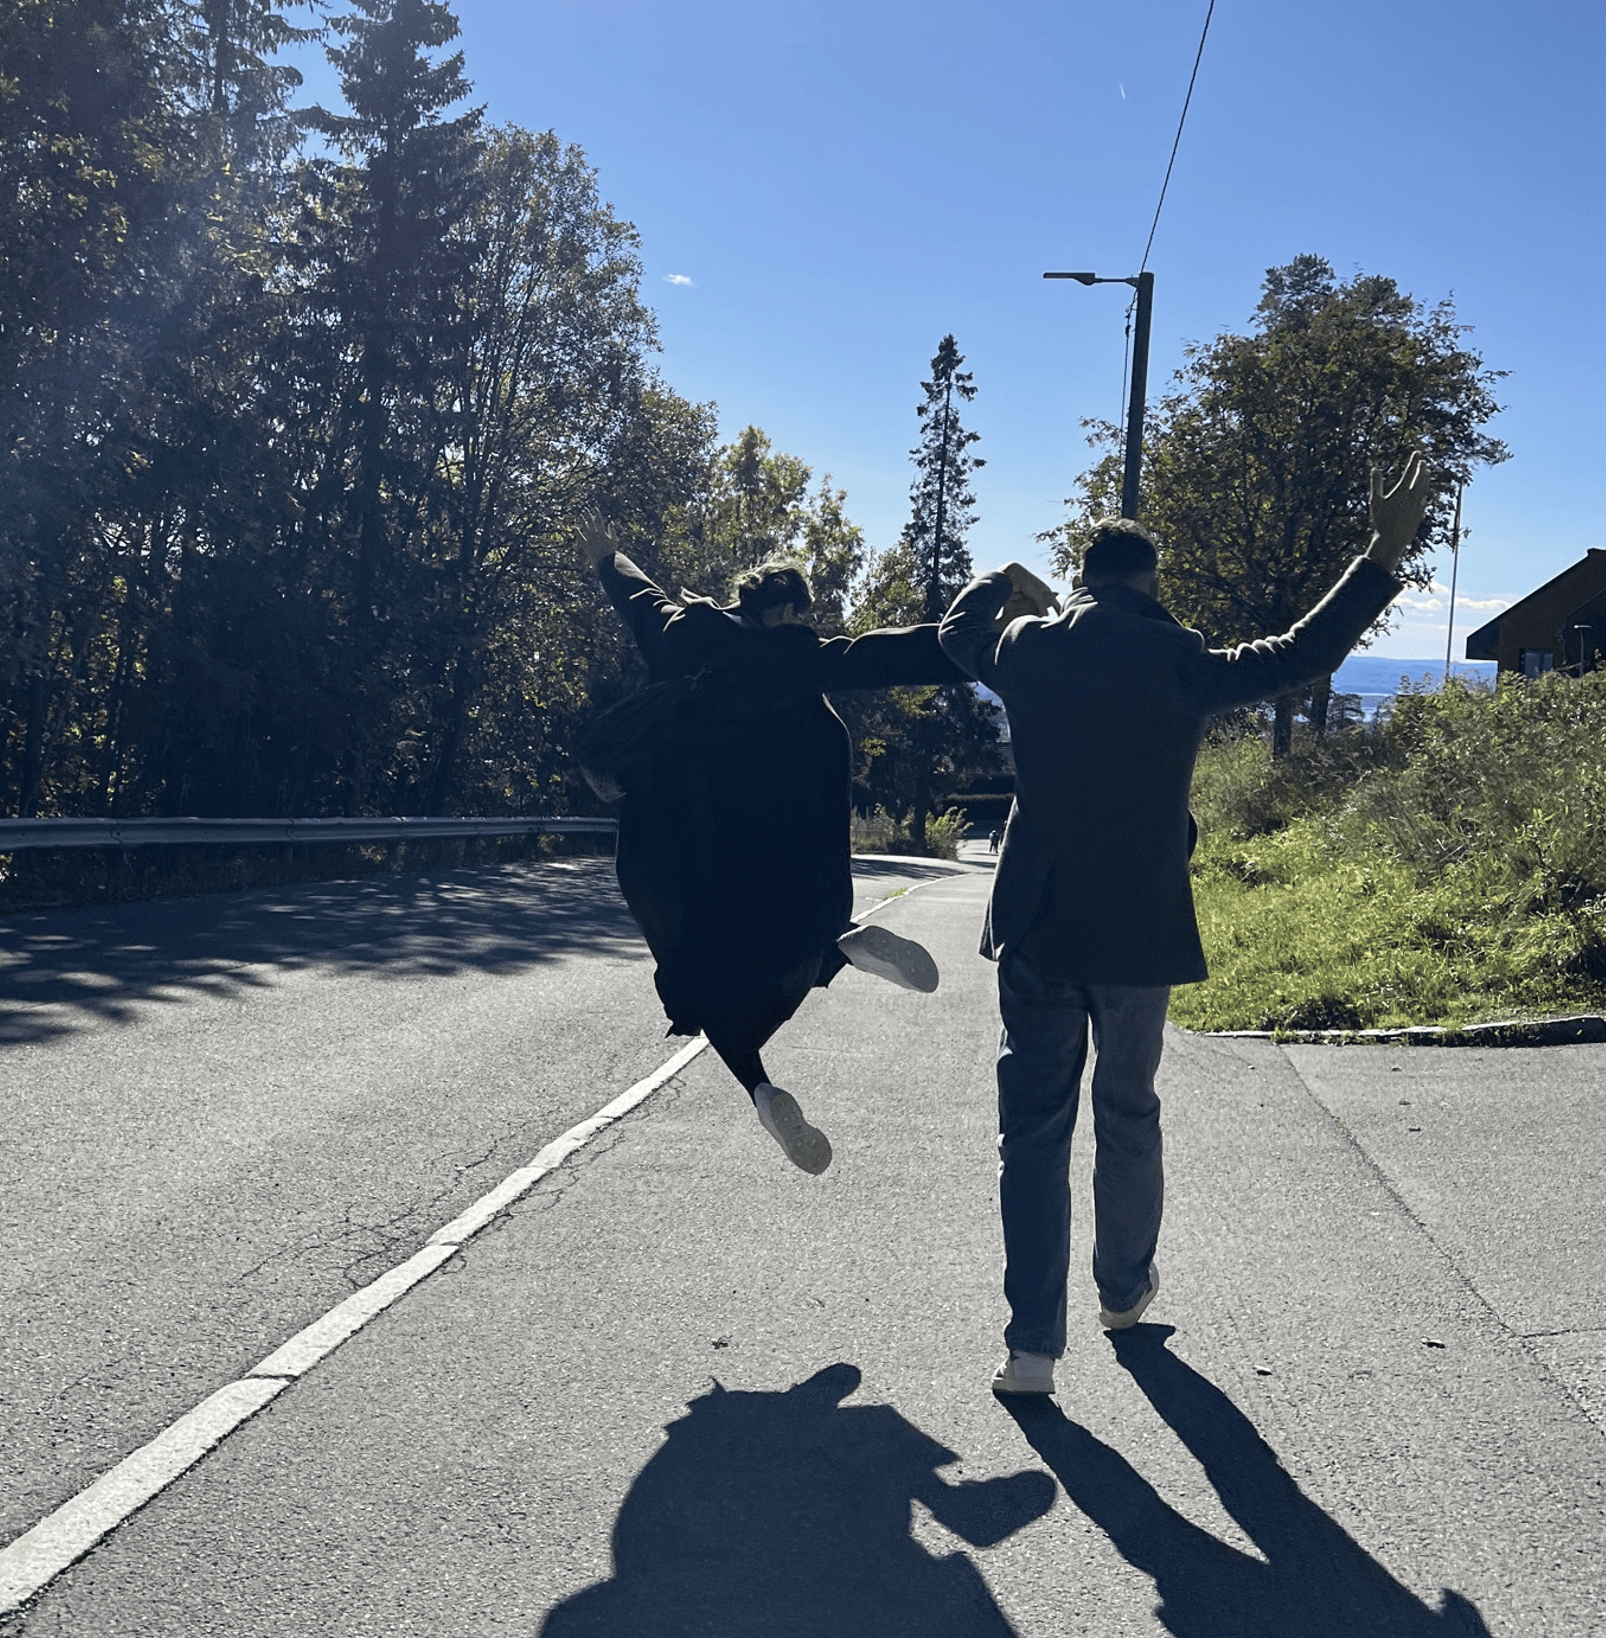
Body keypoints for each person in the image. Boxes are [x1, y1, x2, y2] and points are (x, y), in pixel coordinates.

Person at [938, 458, 1431, 1398]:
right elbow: (1304, 650)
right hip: (1137, 930)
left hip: (1038, 928)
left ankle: (1031, 1350)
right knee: (1129, 1111)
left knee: (1033, 1134)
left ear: (1084, 579)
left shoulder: (1030, 648)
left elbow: (963, 632)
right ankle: (1123, 1291)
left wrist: (1004, 583)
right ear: (1151, 581)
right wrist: (1381, 551)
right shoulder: (1181, 662)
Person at [580, 520, 958, 1175]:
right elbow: (883, 654)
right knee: (781, 945)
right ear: (783, 609)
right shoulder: (793, 660)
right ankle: (844, 947)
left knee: (703, 978)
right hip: (768, 852)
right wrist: (976, 643)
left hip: (672, 850)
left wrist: (608, 559)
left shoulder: (681, 634)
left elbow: (640, 597)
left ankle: (762, 1090)